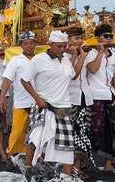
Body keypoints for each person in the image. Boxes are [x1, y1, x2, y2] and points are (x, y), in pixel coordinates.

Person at [21, 30, 75, 179]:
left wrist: (79, 56)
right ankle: (28, 168)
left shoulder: (66, 60)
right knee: (36, 138)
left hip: (63, 106)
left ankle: (66, 176)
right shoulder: (38, 60)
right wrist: (37, 98)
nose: (62, 49)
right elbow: (24, 80)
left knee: (65, 142)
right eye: (59, 46)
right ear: (50, 44)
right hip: (43, 105)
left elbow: (73, 75)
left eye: (64, 46)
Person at [85, 23, 115, 176]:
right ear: (98, 38)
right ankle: (81, 161)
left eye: (111, 36)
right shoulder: (90, 53)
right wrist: (100, 52)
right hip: (94, 96)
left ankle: (108, 164)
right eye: (106, 36)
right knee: (93, 130)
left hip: (111, 95)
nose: (109, 39)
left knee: (112, 130)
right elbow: (93, 69)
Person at [0, 31, 36, 158]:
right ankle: (11, 153)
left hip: (38, 102)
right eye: (25, 44)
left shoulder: (40, 59)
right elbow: (7, 80)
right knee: (18, 131)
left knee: (35, 131)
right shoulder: (15, 60)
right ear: (21, 45)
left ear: (35, 44)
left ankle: (29, 155)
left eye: (31, 43)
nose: (29, 46)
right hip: (21, 101)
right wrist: (2, 98)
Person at [64, 27, 94, 180]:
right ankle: (67, 167)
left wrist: (99, 53)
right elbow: (73, 75)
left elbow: (93, 70)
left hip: (85, 97)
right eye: (76, 38)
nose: (80, 41)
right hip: (69, 99)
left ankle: (76, 165)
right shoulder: (62, 55)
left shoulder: (85, 53)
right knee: (69, 134)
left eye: (80, 38)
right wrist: (78, 56)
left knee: (82, 133)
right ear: (68, 40)